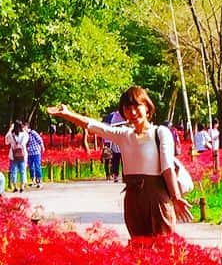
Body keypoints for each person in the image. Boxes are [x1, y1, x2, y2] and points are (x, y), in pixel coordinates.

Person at [47, 86, 192, 238]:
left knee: (163, 245)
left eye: (137, 106)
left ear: (147, 108)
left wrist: (176, 197)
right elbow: (94, 126)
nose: (133, 112)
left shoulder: (160, 132)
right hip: (133, 200)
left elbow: (167, 167)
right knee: (137, 248)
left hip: (157, 198)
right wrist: (67, 114)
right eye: (128, 108)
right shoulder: (124, 135)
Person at [5, 120, 29, 192]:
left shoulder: (11, 135)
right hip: (22, 155)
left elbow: (6, 141)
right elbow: (27, 139)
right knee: (23, 171)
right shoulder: (24, 135)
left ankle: (15, 186)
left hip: (13, 155)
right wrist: (24, 129)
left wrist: (10, 129)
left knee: (13, 171)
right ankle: (22, 186)